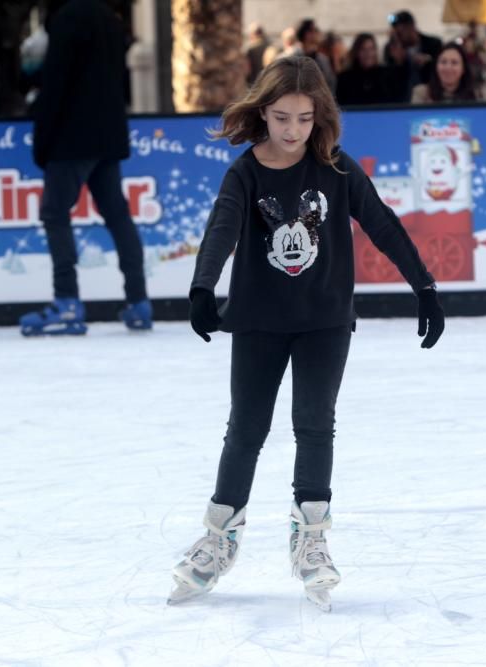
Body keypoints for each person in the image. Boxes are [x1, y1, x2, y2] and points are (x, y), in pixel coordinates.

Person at [167, 56, 445, 611]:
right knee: (245, 429)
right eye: (281, 117)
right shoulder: (245, 173)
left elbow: (383, 224)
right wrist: (203, 288)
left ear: (320, 115)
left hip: (323, 320)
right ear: (262, 113)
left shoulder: (337, 169)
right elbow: (222, 228)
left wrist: (425, 287)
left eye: (304, 118)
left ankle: (311, 539)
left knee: (315, 426)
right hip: (258, 321)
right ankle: (218, 540)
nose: (293, 130)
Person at [20, 0, 151, 336]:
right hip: (108, 131)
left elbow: (56, 83)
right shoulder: (109, 17)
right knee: (117, 214)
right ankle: (138, 301)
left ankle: (66, 301)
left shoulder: (67, 19)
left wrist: (42, 141)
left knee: (54, 212)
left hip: (72, 135)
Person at [384, 10, 443, 102]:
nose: (400, 35)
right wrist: (399, 62)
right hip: (403, 99)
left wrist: (428, 61)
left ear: (412, 27)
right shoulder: (391, 48)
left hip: (429, 95)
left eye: (402, 31)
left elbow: (441, 67)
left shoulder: (433, 43)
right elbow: (390, 80)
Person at [336, 33, 398, 106]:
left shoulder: (387, 75)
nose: (368, 53)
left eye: (371, 49)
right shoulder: (344, 78)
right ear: (356, 52)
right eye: (363, 49)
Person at [411, 43, 479, 104]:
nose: (448, 67)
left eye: (454, 62)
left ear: (463, 69)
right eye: (443, 62)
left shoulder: (477, 95)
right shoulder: (421, 93)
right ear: (436, 66)